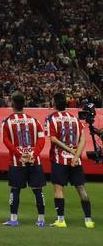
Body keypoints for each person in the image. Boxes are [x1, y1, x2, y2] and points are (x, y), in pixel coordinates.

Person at [45, 92, 92, 228]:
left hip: (60, 159)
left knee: (58, 189)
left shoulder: (51, 118)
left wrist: (69, 150)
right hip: (75, 160)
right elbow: (83, 139)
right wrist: (76, 155)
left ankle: (61, 220)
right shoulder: (75, 119)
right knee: (81, 188)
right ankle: (88, 220)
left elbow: (53, 139)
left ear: (54, 103)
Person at [1, 92, 47, 227]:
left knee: (15, 189)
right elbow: (41, 139)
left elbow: (6, 141)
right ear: (24, 104)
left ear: (13, 104)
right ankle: (41, 219)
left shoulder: (7, 122)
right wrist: (34, 154)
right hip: (34, 160)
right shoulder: (34, 121)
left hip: (17, 161)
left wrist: (19, 155)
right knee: (38, 190)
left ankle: (14, 219)